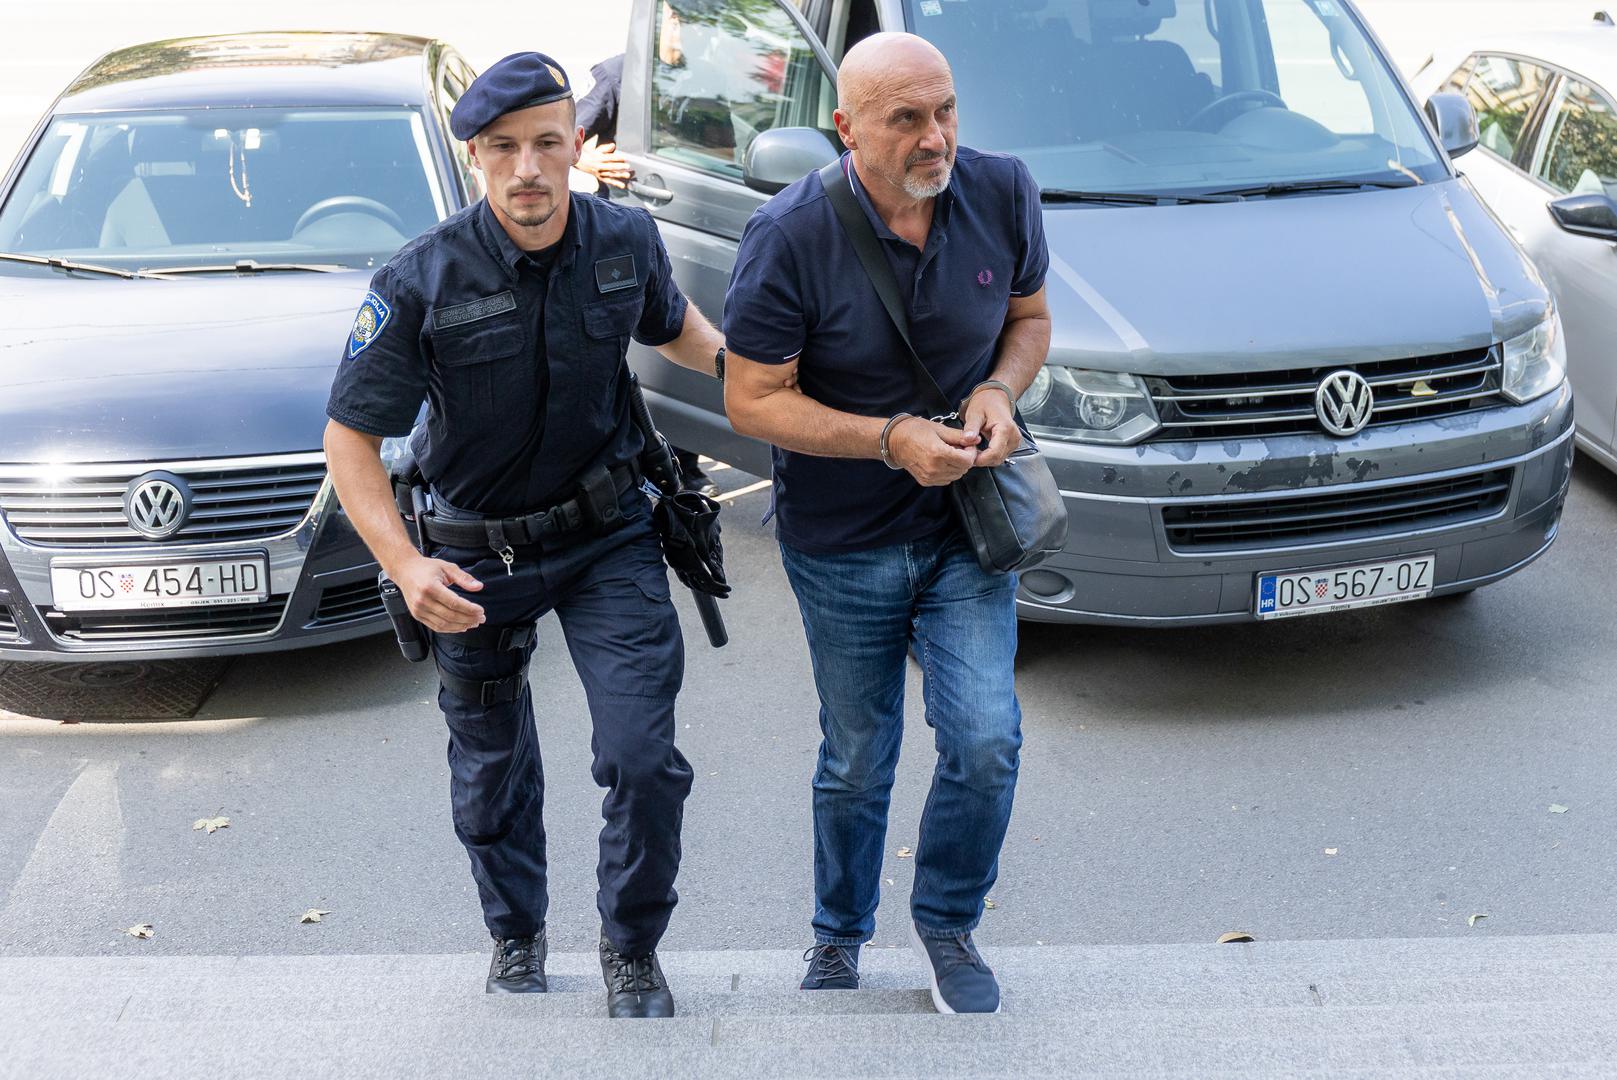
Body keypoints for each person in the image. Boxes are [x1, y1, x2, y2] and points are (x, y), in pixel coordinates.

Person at [322, 51, 727, 1018]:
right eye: (503, 148)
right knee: (491, 767)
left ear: (578, 144)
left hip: (608, 536)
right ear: (475, 158)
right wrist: (405, 562)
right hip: (469, 554)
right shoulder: (422, 279)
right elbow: (350, 441)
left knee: (642, 757)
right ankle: (516, 933)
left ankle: (631, 947)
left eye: (548, 143)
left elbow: (684, 333)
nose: (528, 169)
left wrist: (789, 391)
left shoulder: (625, 240)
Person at [721, 32, 1051, 1014]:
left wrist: (998, 388)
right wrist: (887, 439)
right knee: (860, 754)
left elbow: (1030, 319)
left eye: (944, 110)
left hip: (968, 526)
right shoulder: (789, 236)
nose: (935, 136)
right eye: (906, 118)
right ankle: (838, 930)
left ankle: (948, 922)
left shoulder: (1002, 191)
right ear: (846, 128)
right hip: (843, 538)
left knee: (987, 738)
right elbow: (751, 400)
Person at [573, 16, 720, 498]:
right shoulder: (622, 75)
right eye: (679, 20)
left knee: (685, 326)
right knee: (642, 346)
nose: (687, 33)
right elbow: (565, 131)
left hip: (683, 219)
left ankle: (686, 460)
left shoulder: (701, 79)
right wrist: (586, 160)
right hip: (627, 224)